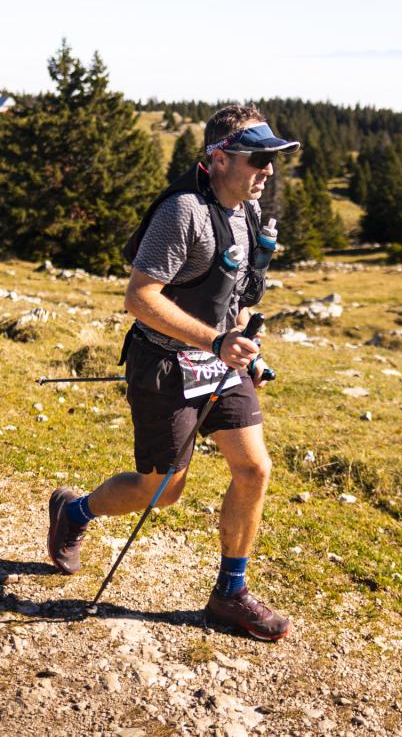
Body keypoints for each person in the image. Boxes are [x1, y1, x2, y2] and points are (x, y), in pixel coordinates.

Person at [47, 104, 298, 640]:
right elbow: (139, 298)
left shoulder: (248, 213)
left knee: (254, 469)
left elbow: (233, 295)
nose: (268, 170)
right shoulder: (182, 212)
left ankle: (230, 593)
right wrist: (216, 341)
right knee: (161, 491)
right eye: (258, 159)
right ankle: (75, 512)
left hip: (220, 361)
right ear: (220, 158)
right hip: (164, 364)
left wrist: (244, 347)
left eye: (272, 159)